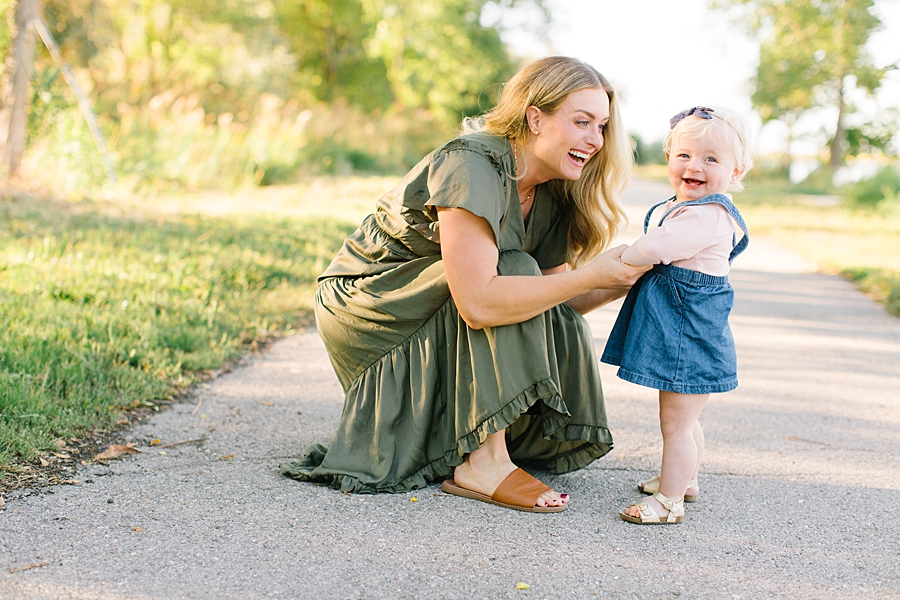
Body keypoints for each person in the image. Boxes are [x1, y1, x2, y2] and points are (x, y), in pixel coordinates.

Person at [280, 56, 649, 512]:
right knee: (512, 270)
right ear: (535, 117)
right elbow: (478, 302)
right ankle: (483, 463)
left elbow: (562, 302)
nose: (595, 140)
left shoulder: (554, 189)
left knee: (539, 297)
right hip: (371, 300)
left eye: (602, 126)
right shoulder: (472, 163)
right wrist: (593, 272)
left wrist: (630, 273)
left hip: (440, 295)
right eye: (582, 122)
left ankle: (498, 442)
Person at [600, 106, 752, 524]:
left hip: (687, 334)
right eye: (684, 155)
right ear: (669, 159)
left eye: (710, 159)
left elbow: (657, 247)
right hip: (684, 329)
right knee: (685, 418)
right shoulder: (690, 207)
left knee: (676, 423)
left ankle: (669, 502)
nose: (694, 166)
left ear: (735, 172)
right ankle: (685, 480)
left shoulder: (708, 215)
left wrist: (624, 258)